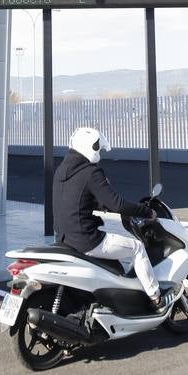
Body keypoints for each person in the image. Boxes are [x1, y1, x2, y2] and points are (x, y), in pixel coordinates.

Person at [53, 126, 174, 312]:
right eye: (98, 148)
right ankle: (156, 298)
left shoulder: (61, 171)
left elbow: (76, 201)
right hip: (86, 240)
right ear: (90, 148)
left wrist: (99, 204)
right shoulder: (91, 173)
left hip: (64, 238)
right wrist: (146, 212)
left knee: (118, 254)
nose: (99, 152)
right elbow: (117, 204)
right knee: (137, 248)